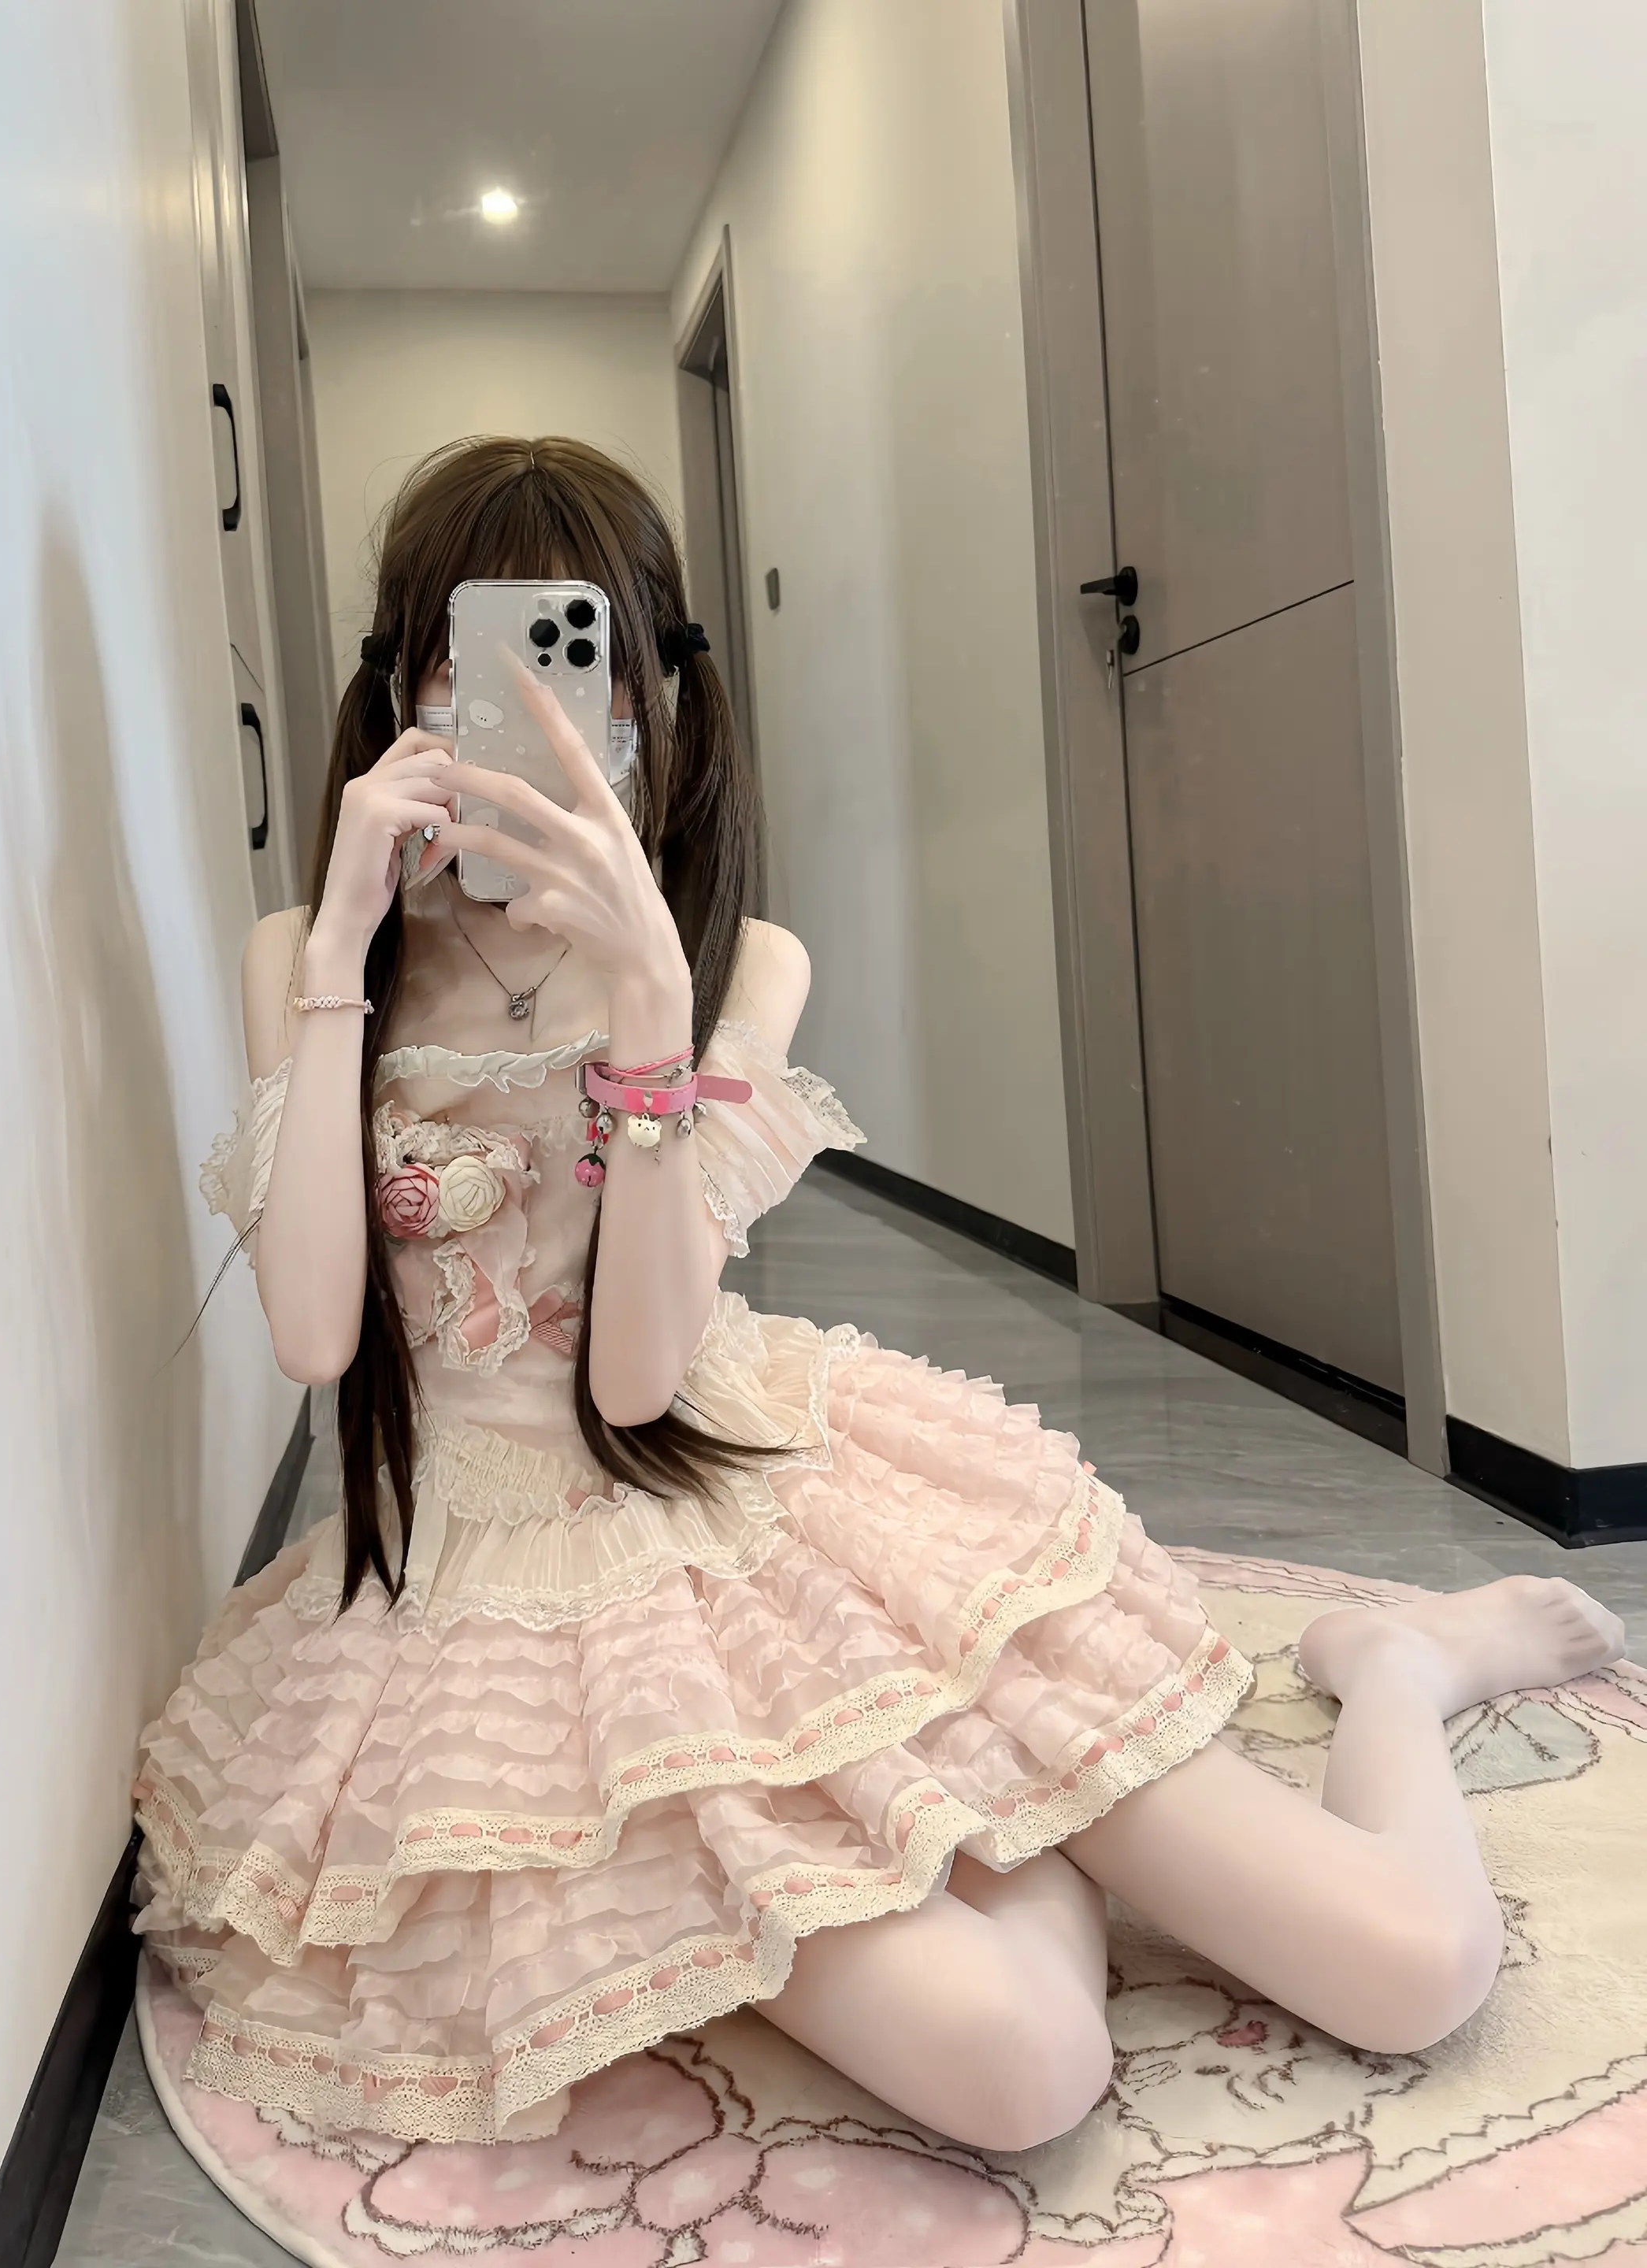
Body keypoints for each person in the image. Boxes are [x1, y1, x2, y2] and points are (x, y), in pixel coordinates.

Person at [135, 435, 1624, 2158]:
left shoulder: (736, 958)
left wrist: (646, 994)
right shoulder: (305, 953)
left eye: (579, 667)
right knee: (1024, 2070)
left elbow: (639, 1382)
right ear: (402, 689)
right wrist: (337, 960)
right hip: (502, 1603)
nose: (530, 721)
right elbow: (318, 1338)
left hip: (753, 1502)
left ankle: (1397, 1671)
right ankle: (1002, 1813)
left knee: (1416, 1965)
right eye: (467, 667)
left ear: (651, 699)